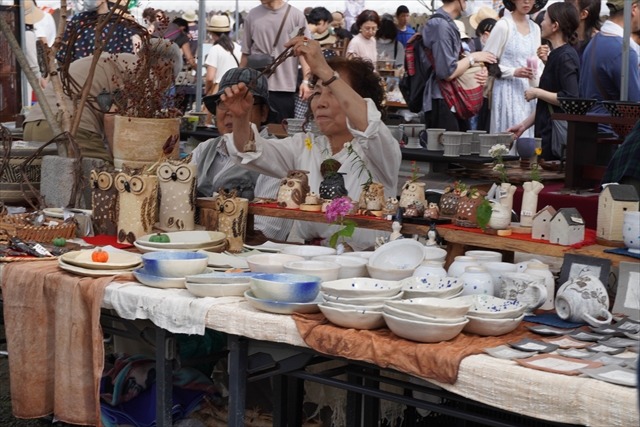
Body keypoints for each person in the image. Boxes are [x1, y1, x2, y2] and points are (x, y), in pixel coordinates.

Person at [220, 37, 402, 250]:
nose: (321, 102)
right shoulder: (306, 146)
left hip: (368, 263)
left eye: (333, 92)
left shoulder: (379, 149)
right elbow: (249, 151)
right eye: (316, 93)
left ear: (359, 99)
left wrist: (324, 70)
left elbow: (369, 124)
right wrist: (242, 118)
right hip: (313, 259)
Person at [24, 39, 182, 164]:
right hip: (69, 128)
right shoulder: (145, 73)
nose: (164, 86)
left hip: (34, 124)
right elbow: (111, 116)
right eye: (170, 80)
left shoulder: (119, 60)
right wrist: (119, 161)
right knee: (106, 179)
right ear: (166, 69)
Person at [196, 69, 293, 242]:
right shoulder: (204, 149)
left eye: (244, 102)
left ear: (263, 113)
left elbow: (266, 231)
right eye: (223, 102)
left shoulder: (276, 157)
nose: (231, 111)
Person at [506, 2, 581, 161]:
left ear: (555, 26)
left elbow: (569, 98)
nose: (541, 22)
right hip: (546, 132)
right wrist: (523, 126)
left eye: (545, 19)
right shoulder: (557, 55)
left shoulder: (565, 56)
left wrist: (536, 92)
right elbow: (547, 103)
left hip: (554, 137)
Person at [421, 0, 496, 131]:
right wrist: (474, 57)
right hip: (443, 99)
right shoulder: (441, 25)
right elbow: (447, 72)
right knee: (448, 148)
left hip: (450, 99)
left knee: (460, 146)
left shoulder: (446, 22)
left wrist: (479, 69)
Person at [240, 0, 312, 123]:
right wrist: (240, 80)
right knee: (253, 132)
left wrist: (306, 80)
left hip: (284, 87)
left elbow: (304, 52)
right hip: (255, 86)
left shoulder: (296, 16)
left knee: (280, 134)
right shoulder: (252, 15)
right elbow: (246, 53)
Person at [483, 0, 543, 141]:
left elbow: (537, 62)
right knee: (508, 135)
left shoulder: (535, 28)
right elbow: (487, 60)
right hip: (506, 91)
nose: (527, 1)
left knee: (528, 138)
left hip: (529, 91)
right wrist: (513, 72)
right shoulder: (503, 25)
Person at [579, 0, 640, 134]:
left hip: (589, 132)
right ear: (633, 9)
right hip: (613, 136)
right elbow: (635, 104)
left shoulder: (594, 41)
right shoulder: (624, 51)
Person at [57, 0, 134, 63]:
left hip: (110, 76)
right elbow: (64, 54)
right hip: (81, 75)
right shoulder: (79, 20)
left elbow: (126, 58)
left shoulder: (120, 23)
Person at [205, 15, 241, 96]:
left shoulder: (215, 49)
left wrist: (207, 91)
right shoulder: (238, 48)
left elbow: (210, 78)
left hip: (220, 91)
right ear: (228, 32)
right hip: (236, 91)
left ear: (212, 33)